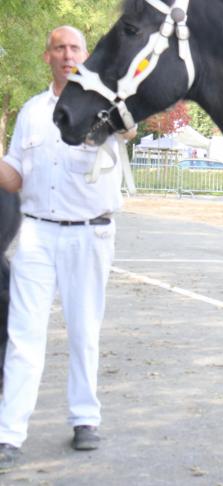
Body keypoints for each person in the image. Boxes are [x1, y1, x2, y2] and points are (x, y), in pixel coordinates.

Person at [0, 25, 134, 472]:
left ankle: (85, 420)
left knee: (83, 332)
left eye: (75, 47)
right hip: (37, 233)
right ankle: (9, 433)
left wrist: (115, 103)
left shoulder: (105, 104)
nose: (67, 54)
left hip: (89, 234)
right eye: (59, 47)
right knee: (24, 336)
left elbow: (130, 130)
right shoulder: (31, 113)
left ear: (84, 55)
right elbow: (15, 176)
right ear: (47, 56)